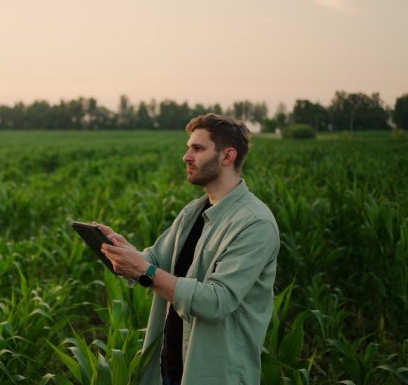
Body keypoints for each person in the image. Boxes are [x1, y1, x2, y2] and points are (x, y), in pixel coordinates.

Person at [97, 113, 279, 385]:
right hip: (170, 368)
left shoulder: (255, 224)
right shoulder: (194, 211)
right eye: (188, 147)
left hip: (215, 374)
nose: (186, 156)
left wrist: (144, 270)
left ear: (227, 156)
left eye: (198, 148)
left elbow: (218, 301)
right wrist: (125, 252)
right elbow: (156, 260)